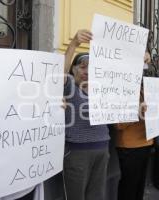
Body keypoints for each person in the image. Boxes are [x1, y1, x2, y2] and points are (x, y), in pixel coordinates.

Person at [62, 29, 110, 200]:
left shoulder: (101, 90)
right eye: (83, 67)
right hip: (77, 153)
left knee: (97, 195)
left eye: (92, 68)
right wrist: (74, 43)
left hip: (102, 149)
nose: (87, 72)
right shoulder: (69, 88)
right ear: (73, 69)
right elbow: (58, 74)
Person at [115, 84, 153, 200]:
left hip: (146, 143)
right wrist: (137, 112)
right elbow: (118, 125)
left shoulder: (142, 90)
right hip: (130, 147)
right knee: (129, 185)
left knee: (139, 184)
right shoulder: (119, 91)